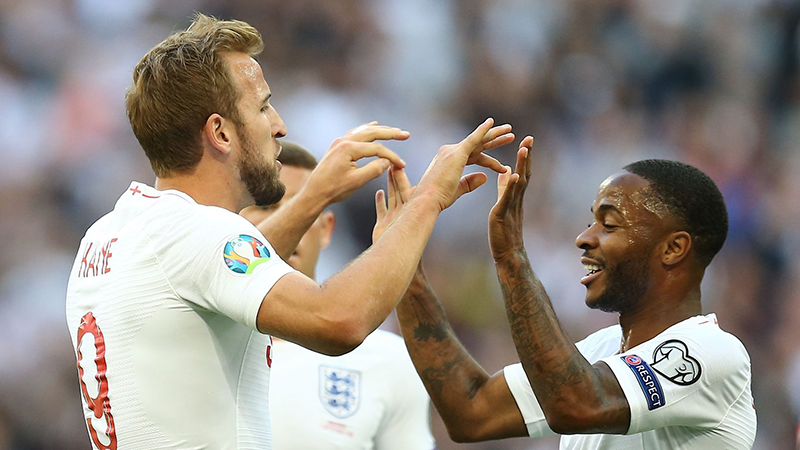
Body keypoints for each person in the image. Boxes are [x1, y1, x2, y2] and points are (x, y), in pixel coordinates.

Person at [64, 13, 515, 450]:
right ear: (219, 132)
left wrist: (311, 197)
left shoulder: (108, 236)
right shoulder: (197, 233)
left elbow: (215, 272)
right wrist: (427, 199)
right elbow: (339, 321)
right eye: (262, 106)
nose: (279, 125)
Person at [377, 139, 757, 449]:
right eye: (591, 220)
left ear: (673, 249)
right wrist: (401, 262)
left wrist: (511, 257)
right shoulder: (598, 353)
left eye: (609, 223)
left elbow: (576, 404)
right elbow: (472, 412)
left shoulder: (712, 354)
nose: (585, 238)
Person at [240, 142, 435, 450]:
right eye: (265, 207)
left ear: (327, 228)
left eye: (304, 206)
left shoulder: (388, 360)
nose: (292, 220)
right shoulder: (199, 340)